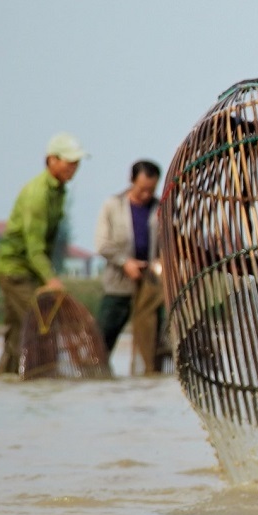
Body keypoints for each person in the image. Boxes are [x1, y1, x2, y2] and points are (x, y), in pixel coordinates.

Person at [0, 133, 88, 376]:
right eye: (69, 161)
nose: (74, 167)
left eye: (77, 162)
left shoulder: (59, 190)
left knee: (17, 331)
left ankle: (8, 378)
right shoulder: (38, 194)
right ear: (52, 160)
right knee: (37, 323)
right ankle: (38, 375)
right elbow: (34, 248)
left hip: (29, 269)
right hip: (15, 270)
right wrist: (52, 280)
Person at [94, 159, 167, 373]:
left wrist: (159, 260)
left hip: (149, 280)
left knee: (150, 332)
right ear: (132, 181)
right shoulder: (113, 205)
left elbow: (166, 241)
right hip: (119, 279)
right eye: (142, 189)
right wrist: (125, 262)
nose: (146, 194)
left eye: (151, 190)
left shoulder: (158, 208)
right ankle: (97, 372)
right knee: (105, 333)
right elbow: (102, 243)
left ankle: (150, 371)